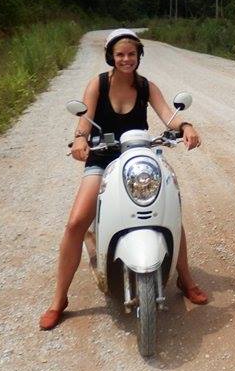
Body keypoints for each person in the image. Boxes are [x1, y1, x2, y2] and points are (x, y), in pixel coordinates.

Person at [39, 29, 208, 331]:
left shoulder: (145, 87)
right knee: (77, 222)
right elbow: (83, 122)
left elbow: (169, 116)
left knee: (170, 212)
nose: (126, 59)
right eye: (120, 55)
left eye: (131, 54)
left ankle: (185, 278)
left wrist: (187, 126)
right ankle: (59, 299)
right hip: (103, 157)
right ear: (111, 57)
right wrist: (80, 140)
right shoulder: (98, 85)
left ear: (138, 56)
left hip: (140, 157)